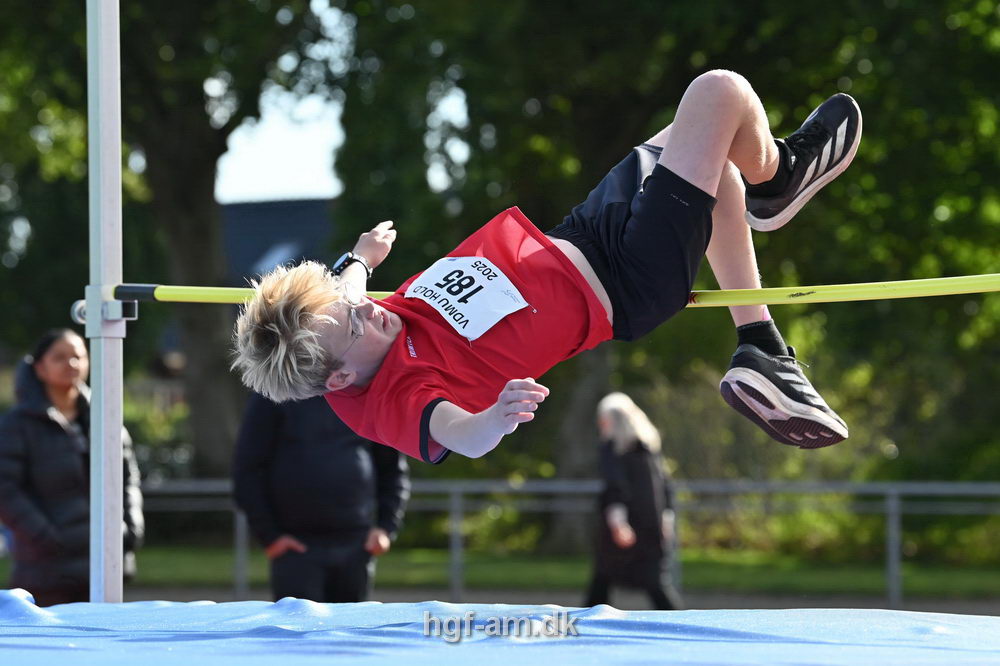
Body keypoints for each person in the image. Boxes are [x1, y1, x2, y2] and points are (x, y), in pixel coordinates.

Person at [232, 69, 859, 463]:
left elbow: (349, 293)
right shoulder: (391, 396)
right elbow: (459, 435)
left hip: (585, 231)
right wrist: (493, 420)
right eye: (355, 326)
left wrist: (359, 260)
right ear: (341, 381)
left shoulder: (354, 323)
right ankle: (776, 179)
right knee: (717, 93)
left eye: (355, 305)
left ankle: (763, 345)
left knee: (716, 165)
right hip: (626, 283)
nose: (372, 310)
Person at [0, 328, 144, 606]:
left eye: (79, 356)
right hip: (47, 569)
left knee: (105, 644)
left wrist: (129, 528)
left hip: (106, 564)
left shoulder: (106, 415)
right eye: (60, 357)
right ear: (39, 368)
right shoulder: (17, 424)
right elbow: (5, 489)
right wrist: (45, 538)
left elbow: (127, 478)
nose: (72, 364)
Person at [232, 392, 409, 602]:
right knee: (298, 632)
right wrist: (270, 536)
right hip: (296, 549)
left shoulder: (364, 394)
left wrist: (385, 527)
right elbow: (246, 471)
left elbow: (392, 470)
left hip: (356, 546)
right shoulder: (274, 393)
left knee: (350, 632)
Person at [584, 392, 682, 610]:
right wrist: (666, 518)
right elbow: (665, 490)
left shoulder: (616, 450)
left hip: (631, 525)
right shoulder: (648, 449)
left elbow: (615, 488)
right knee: (605, 579)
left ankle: (586, 626)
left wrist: (618, 522)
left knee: (648, 583)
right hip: (648, 524)